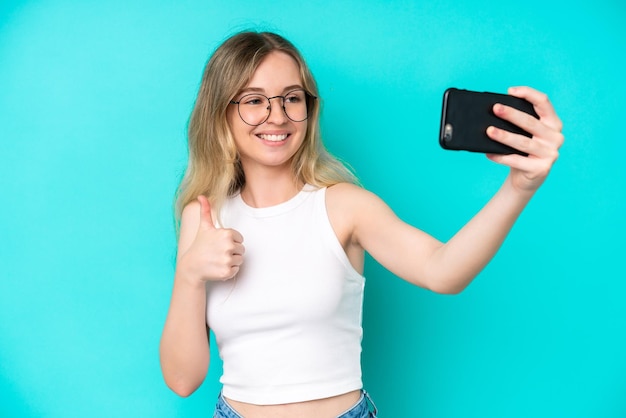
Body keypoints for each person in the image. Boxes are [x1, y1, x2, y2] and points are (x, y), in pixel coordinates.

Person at [159, 31, 564, 418]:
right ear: (220, 112)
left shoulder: (344, 207)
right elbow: (182, 379)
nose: (277, 116)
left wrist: (519, 187)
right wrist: (190, 273)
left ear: (309, 108)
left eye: (291, 98)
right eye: (253, 100)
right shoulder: (205, 217)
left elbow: (443, 271)